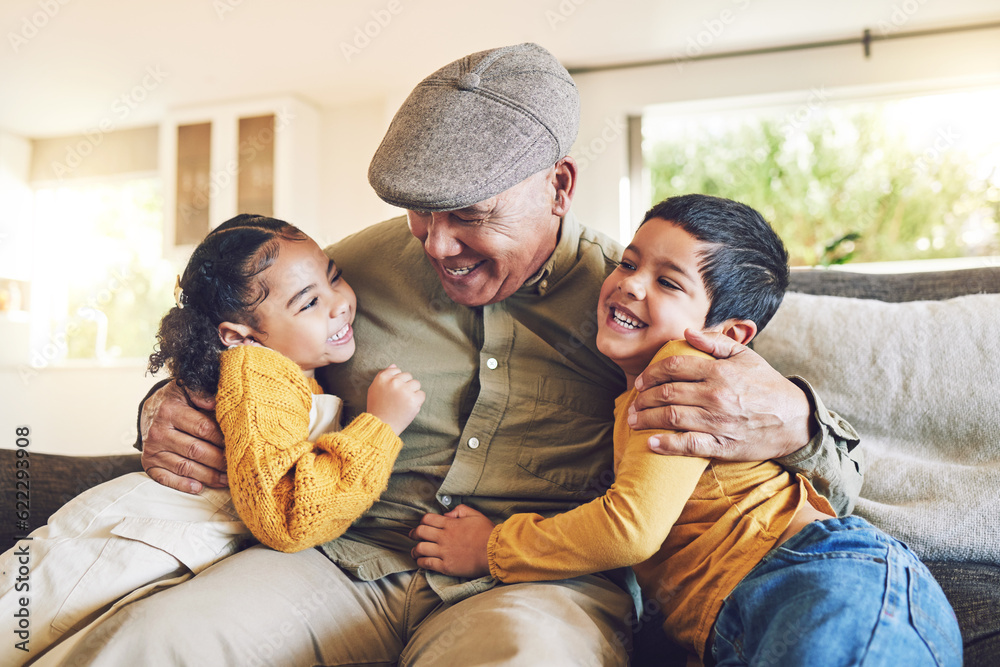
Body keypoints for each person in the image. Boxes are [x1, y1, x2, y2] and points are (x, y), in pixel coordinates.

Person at [59, 44, 863, 666]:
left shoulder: (641, 309)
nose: (439, 245)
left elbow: (826, 475)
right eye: (421, 214)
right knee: (157, 640)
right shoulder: (349, 271)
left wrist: (796, 417)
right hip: (339, 559)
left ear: (559, 186)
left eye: (471, 215)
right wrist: (163, 403)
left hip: (533, 589)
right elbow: (236, 344)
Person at [409, 194, 962, 666]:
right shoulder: (635, 388)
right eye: (628, 264)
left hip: (821, 579)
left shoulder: (680, 375)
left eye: (668, 282)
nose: (630, 285)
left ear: (727, 333)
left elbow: (628, 529)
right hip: (746, 615)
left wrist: (493, 547)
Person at [0, 214, 423, 665]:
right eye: (308, 303)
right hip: (123, 543)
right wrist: (381, 426)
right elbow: (287, 516)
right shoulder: (259, 374)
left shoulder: (294, 370)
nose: (338, 304)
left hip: (166, 545)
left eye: (334, 278)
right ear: (239, 337)